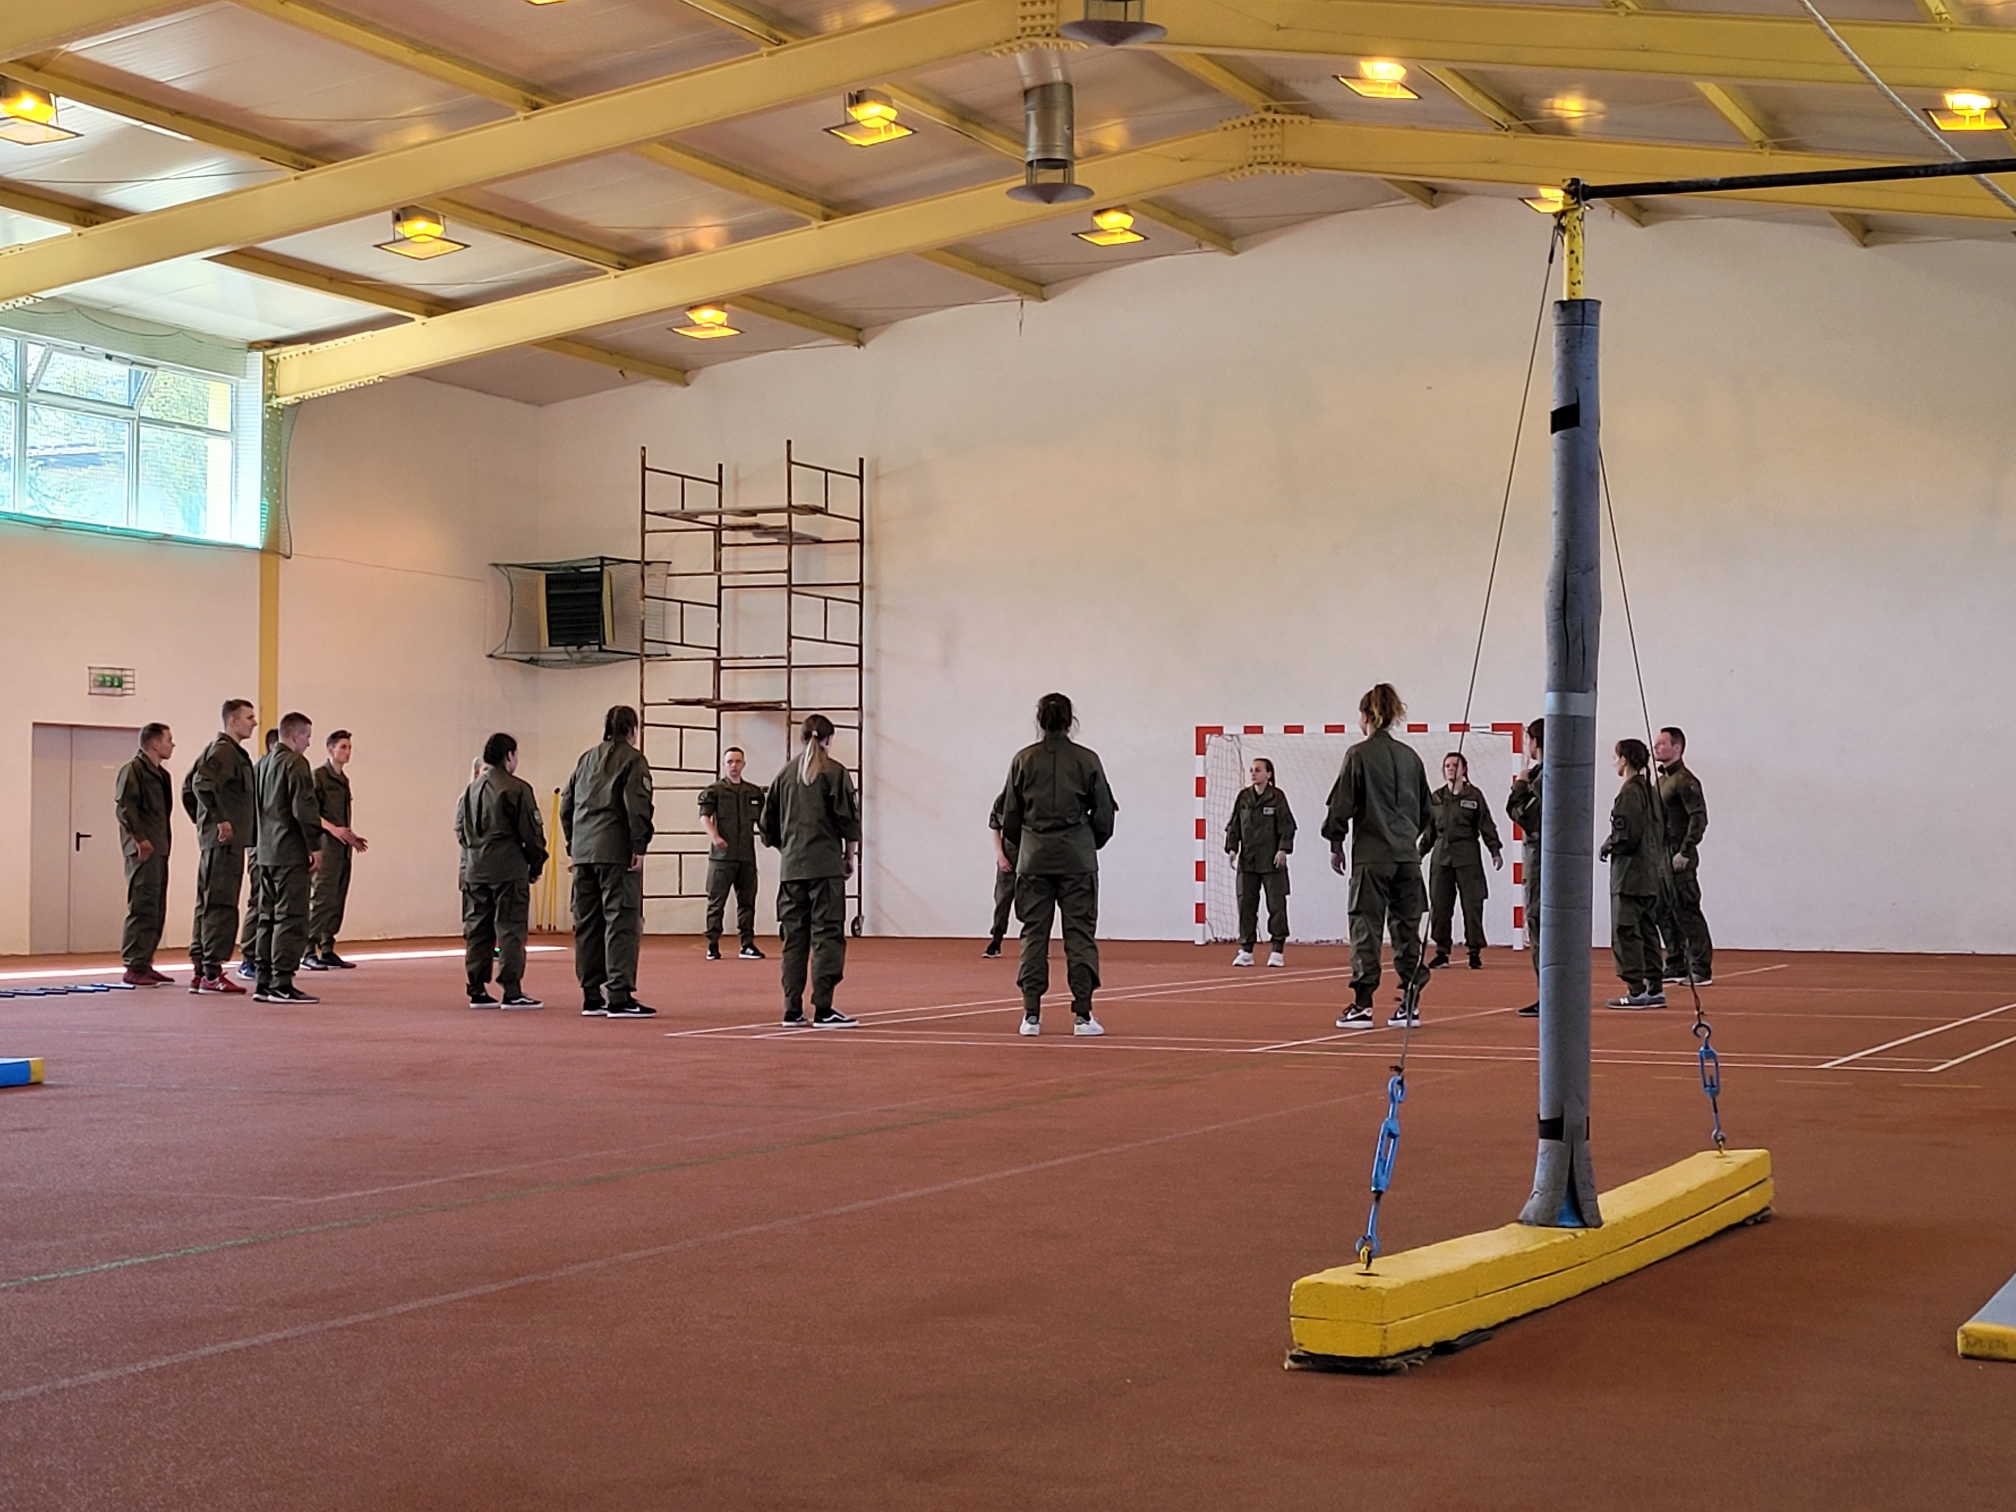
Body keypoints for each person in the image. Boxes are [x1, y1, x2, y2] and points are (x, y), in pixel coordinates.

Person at [998, 692, 1117, 1038]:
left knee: (1033, 935)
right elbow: (1104, 814)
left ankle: (1031, 1015)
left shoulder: (1023, 760)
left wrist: (1027, 846)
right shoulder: (1087, 759)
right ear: (1070, 721)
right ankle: (1083, 1015)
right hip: (1077, 859)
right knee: (1080, 935)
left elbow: (1010, 817)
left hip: (1034, 859)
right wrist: (1087, 843)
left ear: (1040, 720)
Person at [1323, 684, 1432, 1030]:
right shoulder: (1411, 757)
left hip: (1372, 856)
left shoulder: (1358, 754)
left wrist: (1336, 841)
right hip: (1408, 858)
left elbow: (1341, 805)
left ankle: (1363, 1004)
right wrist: (1408, 840)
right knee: (1407, 929)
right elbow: (1428, 812)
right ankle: (1410, 1004)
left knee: (1366, 927)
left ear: (1366, 716)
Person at [759, 715, 861, 1027]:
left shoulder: (784, 775)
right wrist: (849, 857)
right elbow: (849, 822)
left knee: (794, 940)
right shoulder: (834, 772)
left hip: (792, 870)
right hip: (824, 868)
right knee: (827, 936)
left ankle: (792, 1009)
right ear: (829, 739)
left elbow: (766, 827)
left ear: (802, 738)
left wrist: (790, 849)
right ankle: (824, 1008)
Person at [561, 705, 656, 1018]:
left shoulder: (585, 758)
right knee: (621, 921)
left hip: (583, 853)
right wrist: (639, 845)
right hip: (615, 852)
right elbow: (637, 805)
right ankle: (618, 995)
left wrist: (574, 844)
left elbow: (566, 804)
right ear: (632, 729)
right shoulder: (633, 759)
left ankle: (591, 996)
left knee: (587, 924)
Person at [457, 732, 549, 1009]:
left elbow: (461, 831)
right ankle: (511, 990)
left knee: (477, 929)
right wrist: (535, 864)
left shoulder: (470, 790)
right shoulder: (517, 788)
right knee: (510, 928)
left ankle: (476, 989)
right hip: (508, 869)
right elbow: (531, 833)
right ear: (509, 755)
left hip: (475, 870)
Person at [252, 712, 325, 1004]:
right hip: (289, 852)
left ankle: (263, 981)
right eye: (307, 736)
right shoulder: (296, 763)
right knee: (291, 917)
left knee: (266, 917)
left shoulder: (262, 764)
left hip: (265, 852)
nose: (308, 743)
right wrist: (315, 845)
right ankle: (282, 982)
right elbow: (303, 808)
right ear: (295, 736)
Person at [186, 699, 257, 995]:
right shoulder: (225, 751)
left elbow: (188, 786)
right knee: (221, 903)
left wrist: (203, 824)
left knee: (208, 902)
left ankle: (201, 970)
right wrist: (218, 821)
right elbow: (200, 784)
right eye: (249, 717)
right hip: (225, 841)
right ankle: (212, 973)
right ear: (232, 721)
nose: (254, 722)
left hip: (219, 840)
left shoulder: (219, 750)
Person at [1421, 751, 1503, 971]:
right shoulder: (1436, 798)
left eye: (1455, 765)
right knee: (1440, 906)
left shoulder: (1474, 796)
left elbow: (1486, 824)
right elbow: (1430, 830)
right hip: (1441, 859)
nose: (1450, 769)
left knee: (1472, 904)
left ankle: (1474, 952)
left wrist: (1494, 849)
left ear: (1464, 769)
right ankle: (1441, 952)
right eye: (1447, 765)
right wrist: (1418, 853)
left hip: (1468, 858)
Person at [1601, 738, 1666, 1009]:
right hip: (1650, 873)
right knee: (1648, 932)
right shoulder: (1650, 790)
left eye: (1616, 757)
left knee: (1626, 932)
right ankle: (1655, 987)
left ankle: (1636, 991)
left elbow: (1626, 834)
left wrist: (1608, 845)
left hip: (1629, 875)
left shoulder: (1629, 793)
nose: (1614, 763)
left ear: (1625, 759)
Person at [114, 722, 176, 987]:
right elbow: (124, 807)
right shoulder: (134, 770)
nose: (172, 745)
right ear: (155, 743)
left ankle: (145, 962)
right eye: (169, 740)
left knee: (155, 906)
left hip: (159, 847)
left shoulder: (161, 775)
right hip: (143, 849)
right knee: (141, 904)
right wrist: (140, 839)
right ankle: (133, 965)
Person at [1653, 726, 1714, 988]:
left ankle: (1700, 967)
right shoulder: (1661, 781)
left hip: (1678, 854)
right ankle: (1676, 962)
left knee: (1686, 910)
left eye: (1662, 743)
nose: (1656, 747)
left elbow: (1698, 817)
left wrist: (1686, 851)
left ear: (1677, 747)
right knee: (1663, 910)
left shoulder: (1685, 781)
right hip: (1660, 855)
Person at [304, 730, 367, 970]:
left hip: (342, 847)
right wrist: (334, 830)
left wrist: (350, 837)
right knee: (322, 897)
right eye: (343, 747)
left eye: (349, 747)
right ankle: (308, 949)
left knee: (337, 897)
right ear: (330, 749)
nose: (347, 752)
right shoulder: (318, 776)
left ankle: (327, 946)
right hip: (326, 845)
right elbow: (311, 813)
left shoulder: (343, 780)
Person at [1224, 756, 1295, 967]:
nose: (1253, 773)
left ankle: (1277, 950)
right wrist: (1232, 847)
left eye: (1258, 770)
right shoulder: (1244, 797)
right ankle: (1246, 950)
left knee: (1276, 906)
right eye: (1251, 770)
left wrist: (1283, 849)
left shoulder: (1277, 797)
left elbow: (1288, 826)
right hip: (1248, 862)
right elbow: (1234, 824)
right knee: (1246, 905)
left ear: (1268, 774)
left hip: (1272, 863)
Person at [699, 746, 766, 963]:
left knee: (747, 902)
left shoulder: (753, 792)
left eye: (737, 761)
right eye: (730, 762)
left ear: (743, 764)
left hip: (746, 856)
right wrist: (715, 837)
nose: (734, 766)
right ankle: (712, 944)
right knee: (716, 902)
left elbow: (764, 821)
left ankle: (747, 944)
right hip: (722, 858)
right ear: (724, 764)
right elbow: (704, 817)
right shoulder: (715, 791)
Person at [1505, 719, 1545, 1017]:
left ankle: (1550, 995)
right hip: (1550, 860)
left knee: (1540, 926)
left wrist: (1519, 785)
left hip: (1542, 861)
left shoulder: (1542, 778)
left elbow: (1523, 815)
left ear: (1536, 741)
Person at [236, 728, 279, 979]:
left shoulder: (279, 771)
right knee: (259, 900)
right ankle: (248, 957)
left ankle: (265, 956)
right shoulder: (257, 772)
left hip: (275, 846)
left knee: (272, 903)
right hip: (259, 845)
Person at [983, 788, 1017, 959]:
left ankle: (1037, 943)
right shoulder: (1002, 801)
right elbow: (995, 829)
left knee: (1034, 904)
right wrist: (1000, 856)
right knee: (1002, 900)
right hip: (1009, 858)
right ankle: (996, 940)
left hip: (1033, 859)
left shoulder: (1036, 799)